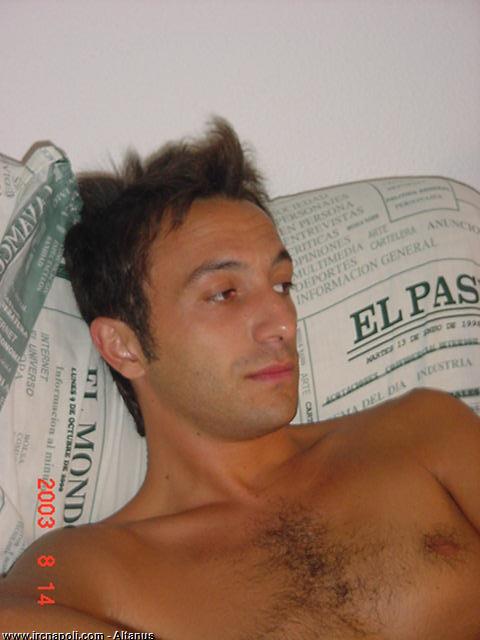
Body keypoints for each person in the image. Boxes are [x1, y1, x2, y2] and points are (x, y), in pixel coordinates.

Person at [1, 118, 479, 638]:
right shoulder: (84, 569)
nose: (281, 324)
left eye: (282, 284)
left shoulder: (423, 432)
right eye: (225, 293)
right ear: (124, 346)